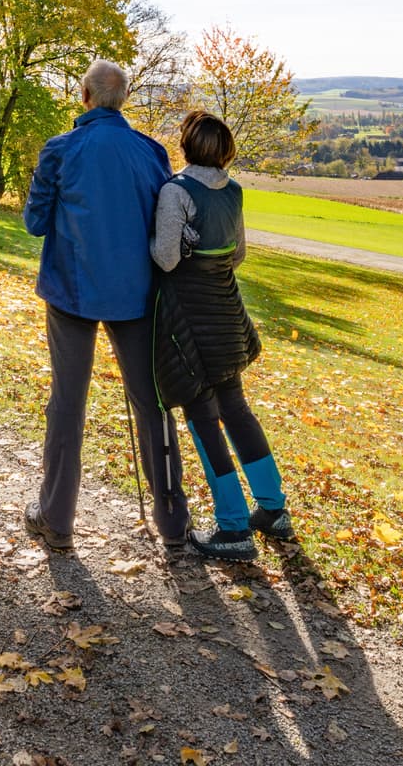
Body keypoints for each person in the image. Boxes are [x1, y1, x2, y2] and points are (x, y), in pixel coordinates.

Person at [21, 58, 192, 555]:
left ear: (85, 97)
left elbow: (35, 222)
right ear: (123, 100)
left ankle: (56, 520)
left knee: (67, 404)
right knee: (152, 405)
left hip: (72, 291)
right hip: (137, 296)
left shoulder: (60, 149)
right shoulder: (151, 152)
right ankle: (173, 524)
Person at [150, 108, 292, 562]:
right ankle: (273, 508)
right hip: (228, 314)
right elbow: (238, 256)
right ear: (225, 150)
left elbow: (166, 259)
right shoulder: (234, 191)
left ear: (187, 145)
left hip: (190, 322)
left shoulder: (176, 191)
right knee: (237, 410)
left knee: (203, 418)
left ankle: (232, 526)